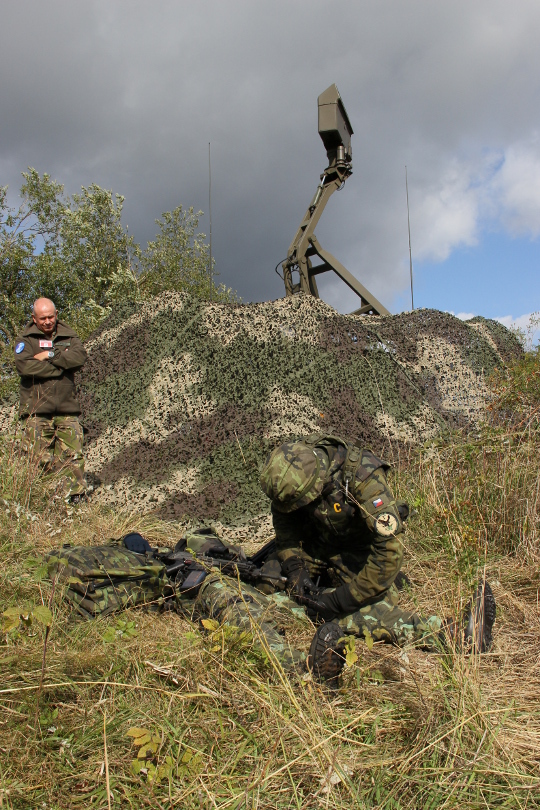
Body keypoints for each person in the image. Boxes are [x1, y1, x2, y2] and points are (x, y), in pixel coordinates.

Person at [260, 433, 496, 653]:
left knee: (356, 610)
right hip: (317, 546)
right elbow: (285, 521)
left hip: (358, 552)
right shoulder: (291, 468)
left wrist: (339, 600)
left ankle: (452, 635)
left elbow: (388, 553)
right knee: (266, 580)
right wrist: (294, 567)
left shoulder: (363, 478)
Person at [14, 298, 88, 502]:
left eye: (50, 317)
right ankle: (42, 500)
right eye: (42, 318)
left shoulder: (69, 335)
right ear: (34, 318)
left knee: (73, 456)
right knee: (39, 459)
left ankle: (75, 499)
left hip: (67, 408)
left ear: (56, 315)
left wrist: (49, 355)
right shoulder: (25, 340)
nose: (47, 321)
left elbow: (79, 358)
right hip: (37, 410)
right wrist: (62, 366)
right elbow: (25, 367)